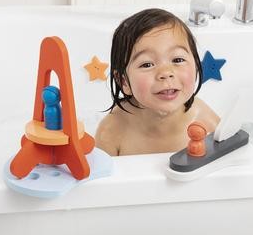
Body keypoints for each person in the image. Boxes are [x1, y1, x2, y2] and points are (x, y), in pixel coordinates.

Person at [94, 8, 220, 156]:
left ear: (197, 66)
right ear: (124, 82)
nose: (166, 73)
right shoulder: (112, 130)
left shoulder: (202, 117)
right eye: (147, 64)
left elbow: (231, 158)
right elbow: (100, 170)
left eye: (178, 60)